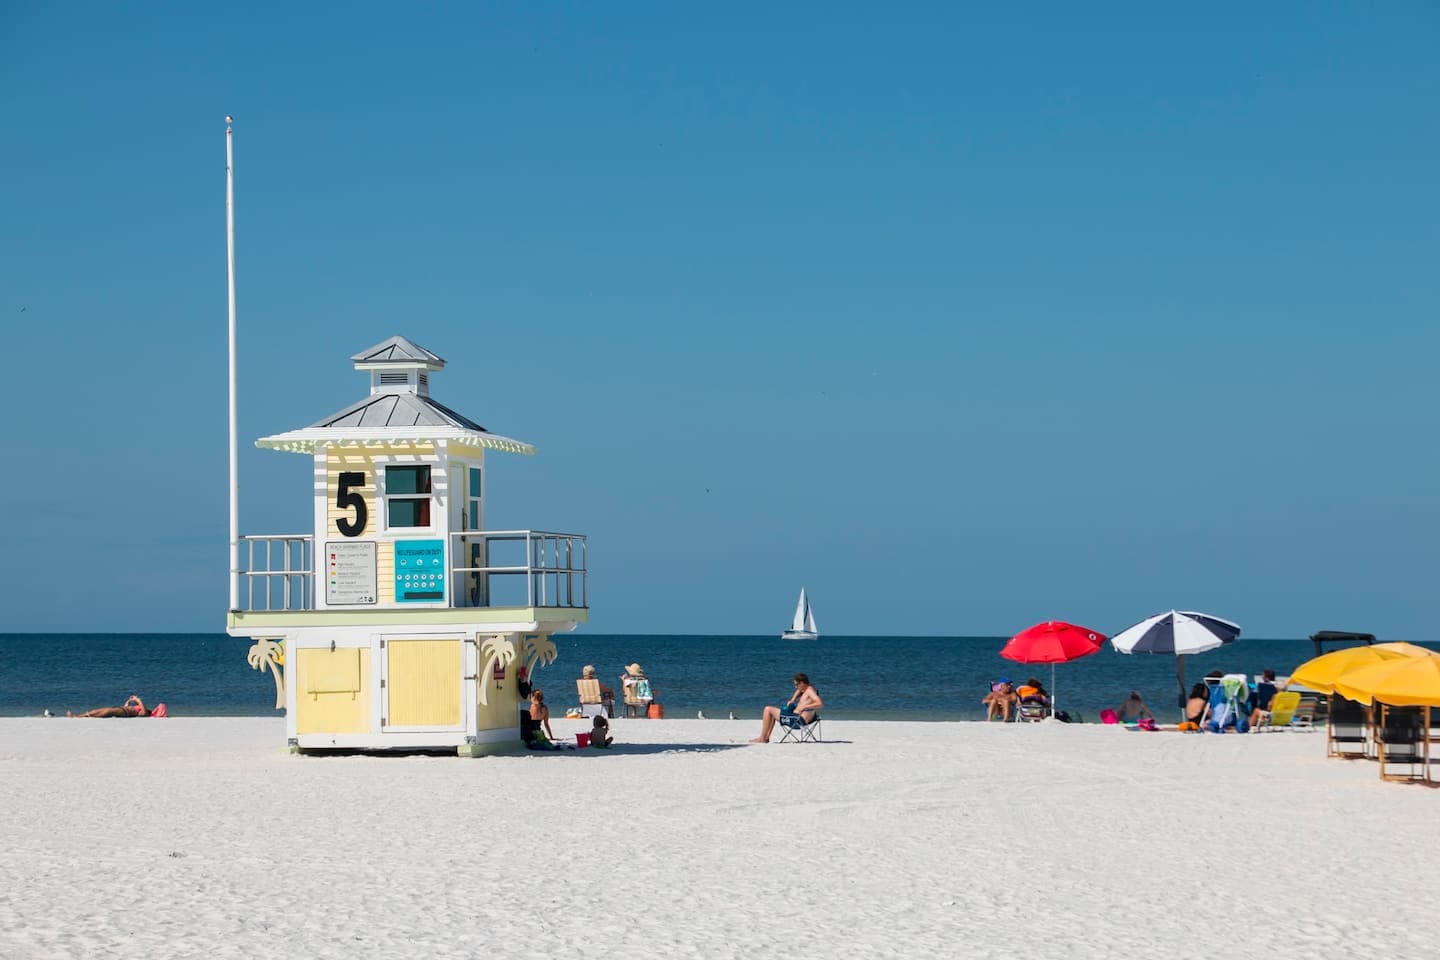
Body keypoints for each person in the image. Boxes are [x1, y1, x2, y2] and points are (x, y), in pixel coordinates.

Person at [751, 673, 823, 743]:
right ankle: (766, 738)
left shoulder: (809, 691)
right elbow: (799, 690)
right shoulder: (809, 687)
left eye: (796, 684)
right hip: (801, 718)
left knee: (767, 709)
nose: (795, 687)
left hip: (798, 721)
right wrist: (793, 699)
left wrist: (805, 706)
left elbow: (820, 703)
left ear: (802, 683)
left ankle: (763, 738)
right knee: (774, 712)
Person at [68, 695, 151, 718]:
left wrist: (138, 700)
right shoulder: (139, 708)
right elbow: (126, 706)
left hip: (123, 712)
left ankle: (81, 716)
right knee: (97, 710)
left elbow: (143, 712)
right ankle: (79, 715)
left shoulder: (144, 713)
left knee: (106, 712)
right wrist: (129, 702)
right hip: (121, 709)